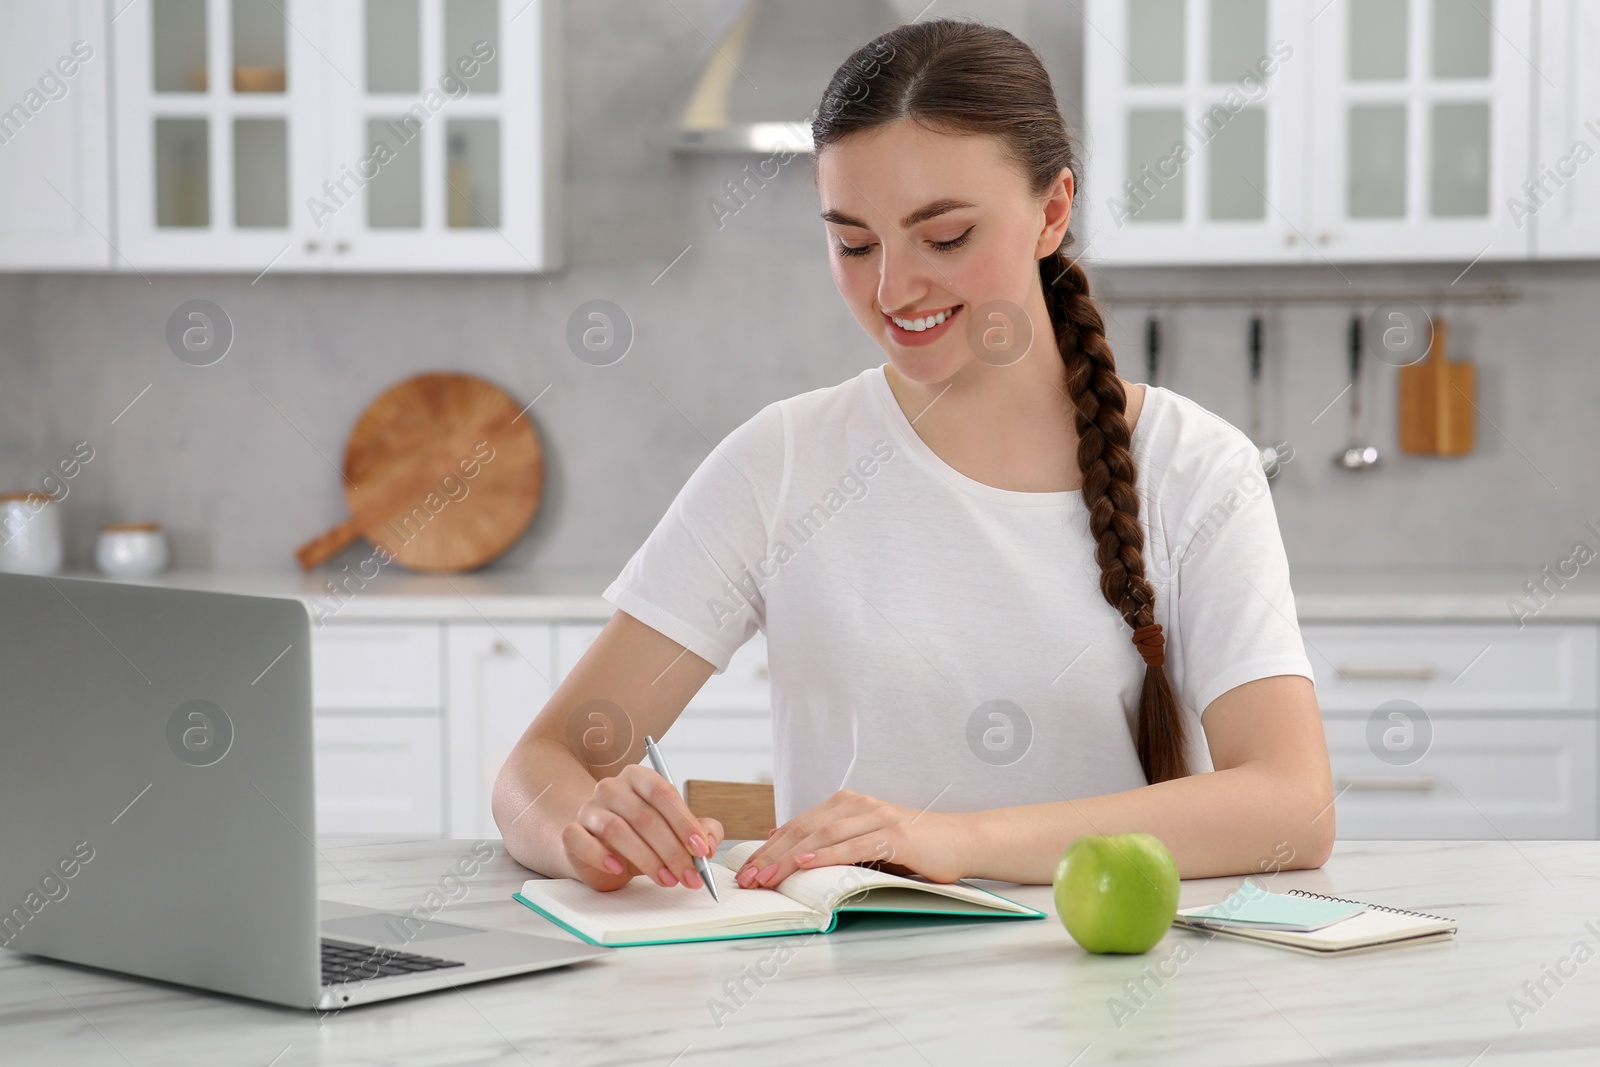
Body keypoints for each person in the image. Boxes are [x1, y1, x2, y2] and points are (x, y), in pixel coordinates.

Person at [494, 20, 1333, 893]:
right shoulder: (781, 462)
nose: (893, 290)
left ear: (1052, 212)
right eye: (854, 244)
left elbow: (1291, 805)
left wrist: (954, 840)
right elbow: (542, 762)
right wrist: (583, 827)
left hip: (1102, 992)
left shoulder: (1195, 468)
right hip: (842, 1000)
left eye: (945, 237)